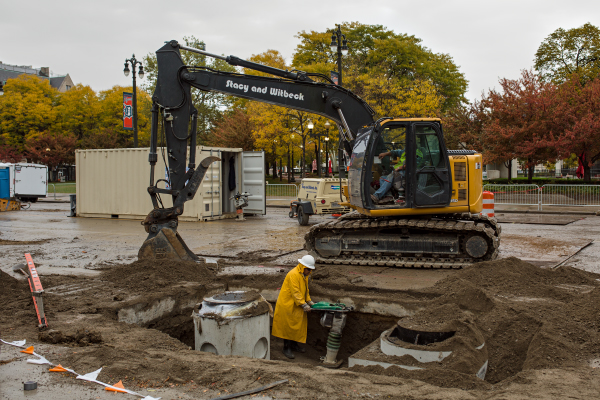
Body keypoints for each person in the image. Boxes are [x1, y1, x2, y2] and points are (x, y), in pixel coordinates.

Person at [271, 254, 315, 359]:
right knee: (287, 327)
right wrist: (303, 304)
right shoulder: (293, 274)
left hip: (296, 304)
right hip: (288, 304)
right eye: (308, 269)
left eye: (310, 270)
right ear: (303, 267)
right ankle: (286, 348)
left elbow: (305, 290)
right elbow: (296, 292)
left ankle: (294, 345)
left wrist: (309, 301)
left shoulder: (304, 275)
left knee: (297, 326)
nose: (310, 271)